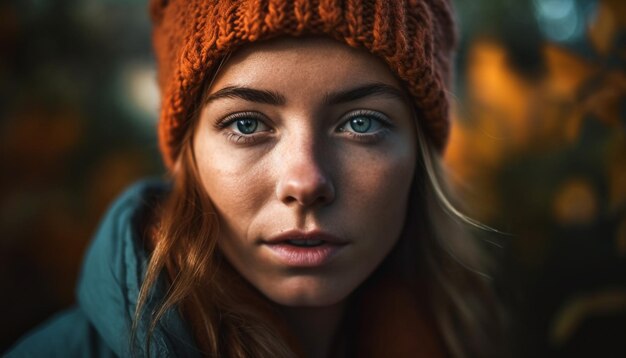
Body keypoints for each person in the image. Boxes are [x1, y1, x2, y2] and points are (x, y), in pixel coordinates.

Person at [7, 0, 505, 357]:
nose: (305, 181)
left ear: (419, 153)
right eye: (246, 123)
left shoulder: (467, 335)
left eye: (361, 122)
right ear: (187, 155)